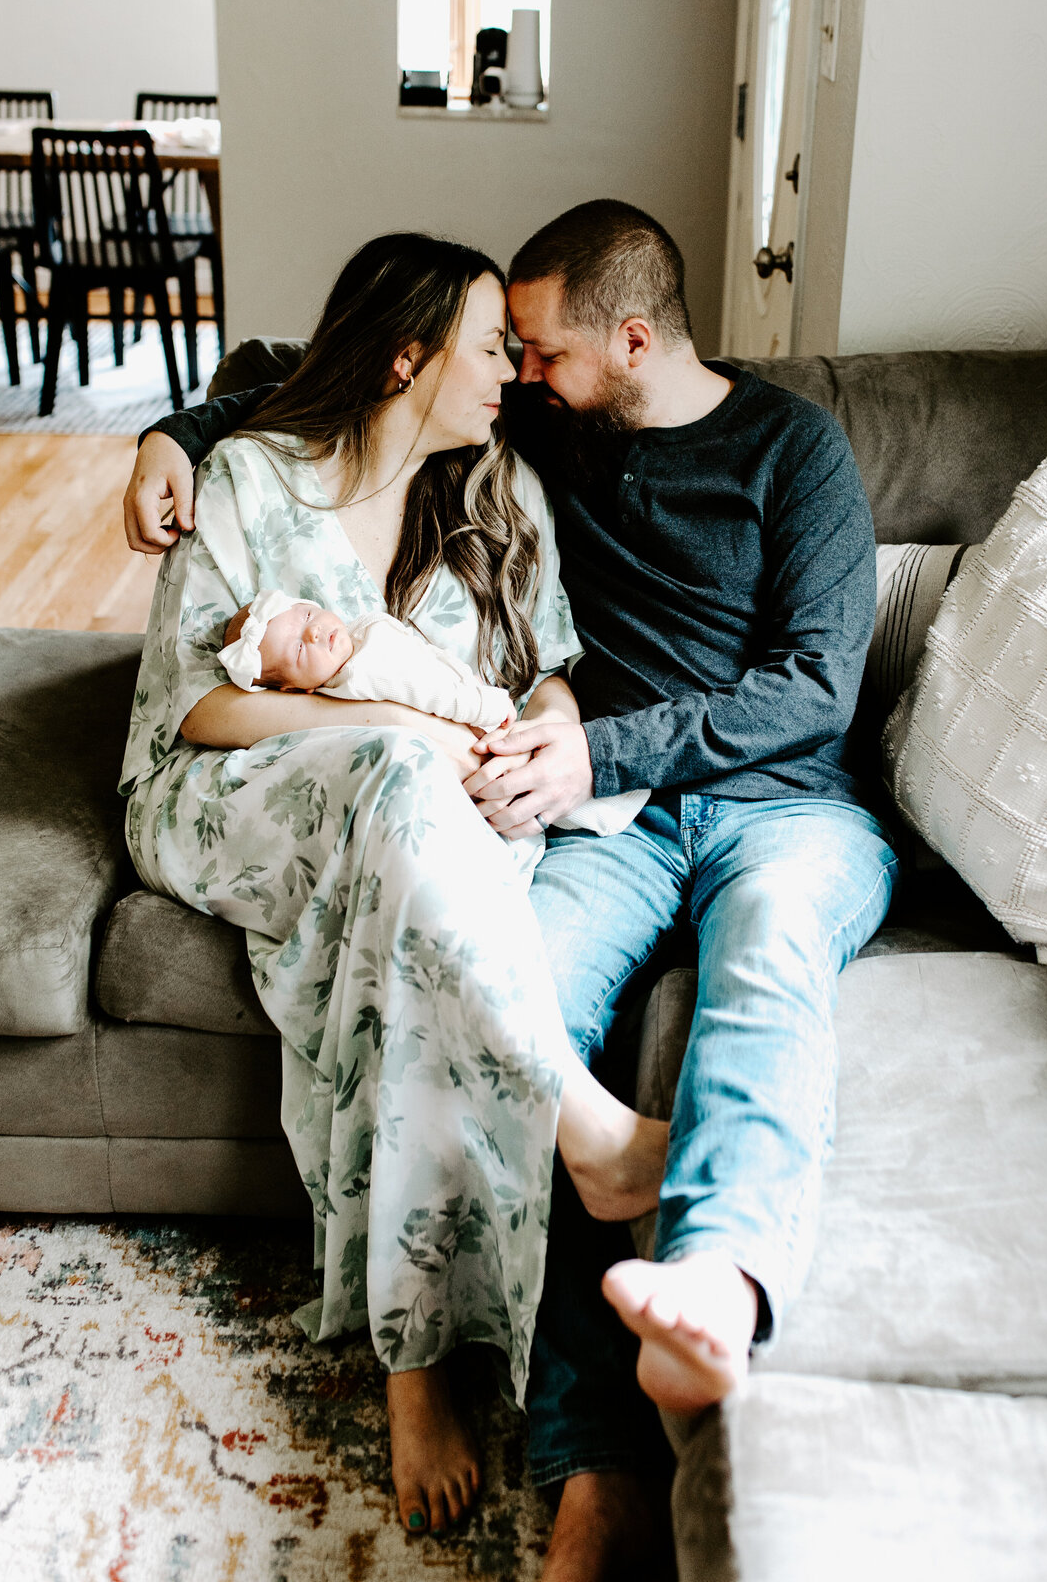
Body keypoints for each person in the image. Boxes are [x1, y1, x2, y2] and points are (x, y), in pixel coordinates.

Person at [124, 201, 898, 1581]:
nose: (523, 375)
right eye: (509, 351)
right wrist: (169, 435)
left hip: (784, 811)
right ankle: (589, 1459)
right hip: (616, 820)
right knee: (509, 989)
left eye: (541, 351)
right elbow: (310, 374)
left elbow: (815, 688)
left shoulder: (794, 451)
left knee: (771, 956)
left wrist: (589, 739)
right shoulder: (529, 426)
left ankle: (716, 1278)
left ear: (633, 341)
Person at [119, 230, 670, 1543]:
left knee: (413, 892)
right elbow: (190, 710)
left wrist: (537, 735)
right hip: (234, 793)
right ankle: (577, 1128)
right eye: (490, 347)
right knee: (399, 783)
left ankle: (417, 1358)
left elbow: (549, 668)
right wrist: (385, 730)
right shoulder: (252, 480)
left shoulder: (496, 489)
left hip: (428, 828)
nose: (513, 376)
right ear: (408, 353)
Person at [216, 587, 650, 839]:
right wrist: (489, 705)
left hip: (473, 705)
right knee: (522, 781)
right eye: (298, 648)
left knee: (535, 773)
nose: (314, 631)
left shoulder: (361, 635)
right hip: (475, 718)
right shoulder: (359, 675)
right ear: (296, 689)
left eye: (308, 614)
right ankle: (609, 812)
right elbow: (430, 691)